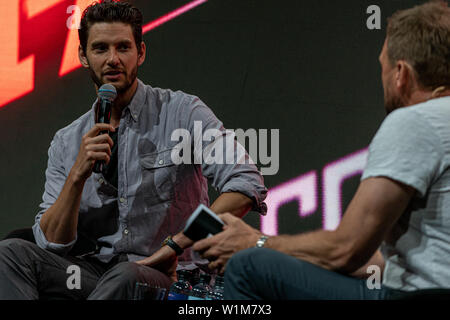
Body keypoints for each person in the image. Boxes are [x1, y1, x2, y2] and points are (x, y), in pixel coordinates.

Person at [0, 1, 267, 300]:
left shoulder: (182, 113)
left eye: (123, 48)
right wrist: (77, 176)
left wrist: (176, 245)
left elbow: (245, 183)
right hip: (91, 275)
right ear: (83, 56)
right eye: (101, 49)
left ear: (140, 52)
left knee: (127, 276)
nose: (113, 59)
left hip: (169, 275)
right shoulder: (67, 141)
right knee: (10, 254)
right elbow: (52, 243)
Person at [193, 1, 450, 299]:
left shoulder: (416, 121)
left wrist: (256, 243)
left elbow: (347, 249)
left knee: (249, 267)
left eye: (383, 67)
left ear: (401, 73)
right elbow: (378, 262)